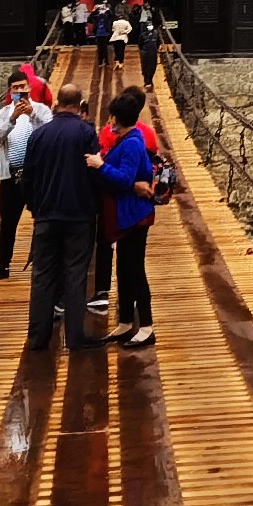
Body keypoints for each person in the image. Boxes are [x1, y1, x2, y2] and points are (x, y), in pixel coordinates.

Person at [19, 86, 102, 349]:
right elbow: (94, 173)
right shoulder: (86, 132)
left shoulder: (39, 134)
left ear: (56, 103)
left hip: (46, 214)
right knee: (75, 273)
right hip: (79, 214)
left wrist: (35, 208)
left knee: (42, 275)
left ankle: (37, 338)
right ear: (79, 104)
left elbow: (28, 176)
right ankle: (75, 337)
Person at [93, 84, 161, 346]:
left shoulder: (132, 143)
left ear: (115, 119)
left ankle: (146, 327)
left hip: (135, 215)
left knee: (135, 270)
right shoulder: (127, 140)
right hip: (126, 214)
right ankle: (124, 322)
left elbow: (124, 179)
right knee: (123, 268)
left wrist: (100, 165)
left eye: (111, 116)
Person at [0, 69, 50, 281]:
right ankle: (3, 264)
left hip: (35, 175)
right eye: (16, 88)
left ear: (29, 87)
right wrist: (12, 118)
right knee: (8, 220)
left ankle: (40, 262)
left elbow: (50, 132)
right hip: (10, 175)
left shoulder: (41, 109)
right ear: (10, 91)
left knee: (40, 218)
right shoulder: (3, 114)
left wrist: (31, 113)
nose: (20, 91)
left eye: (23, 87)